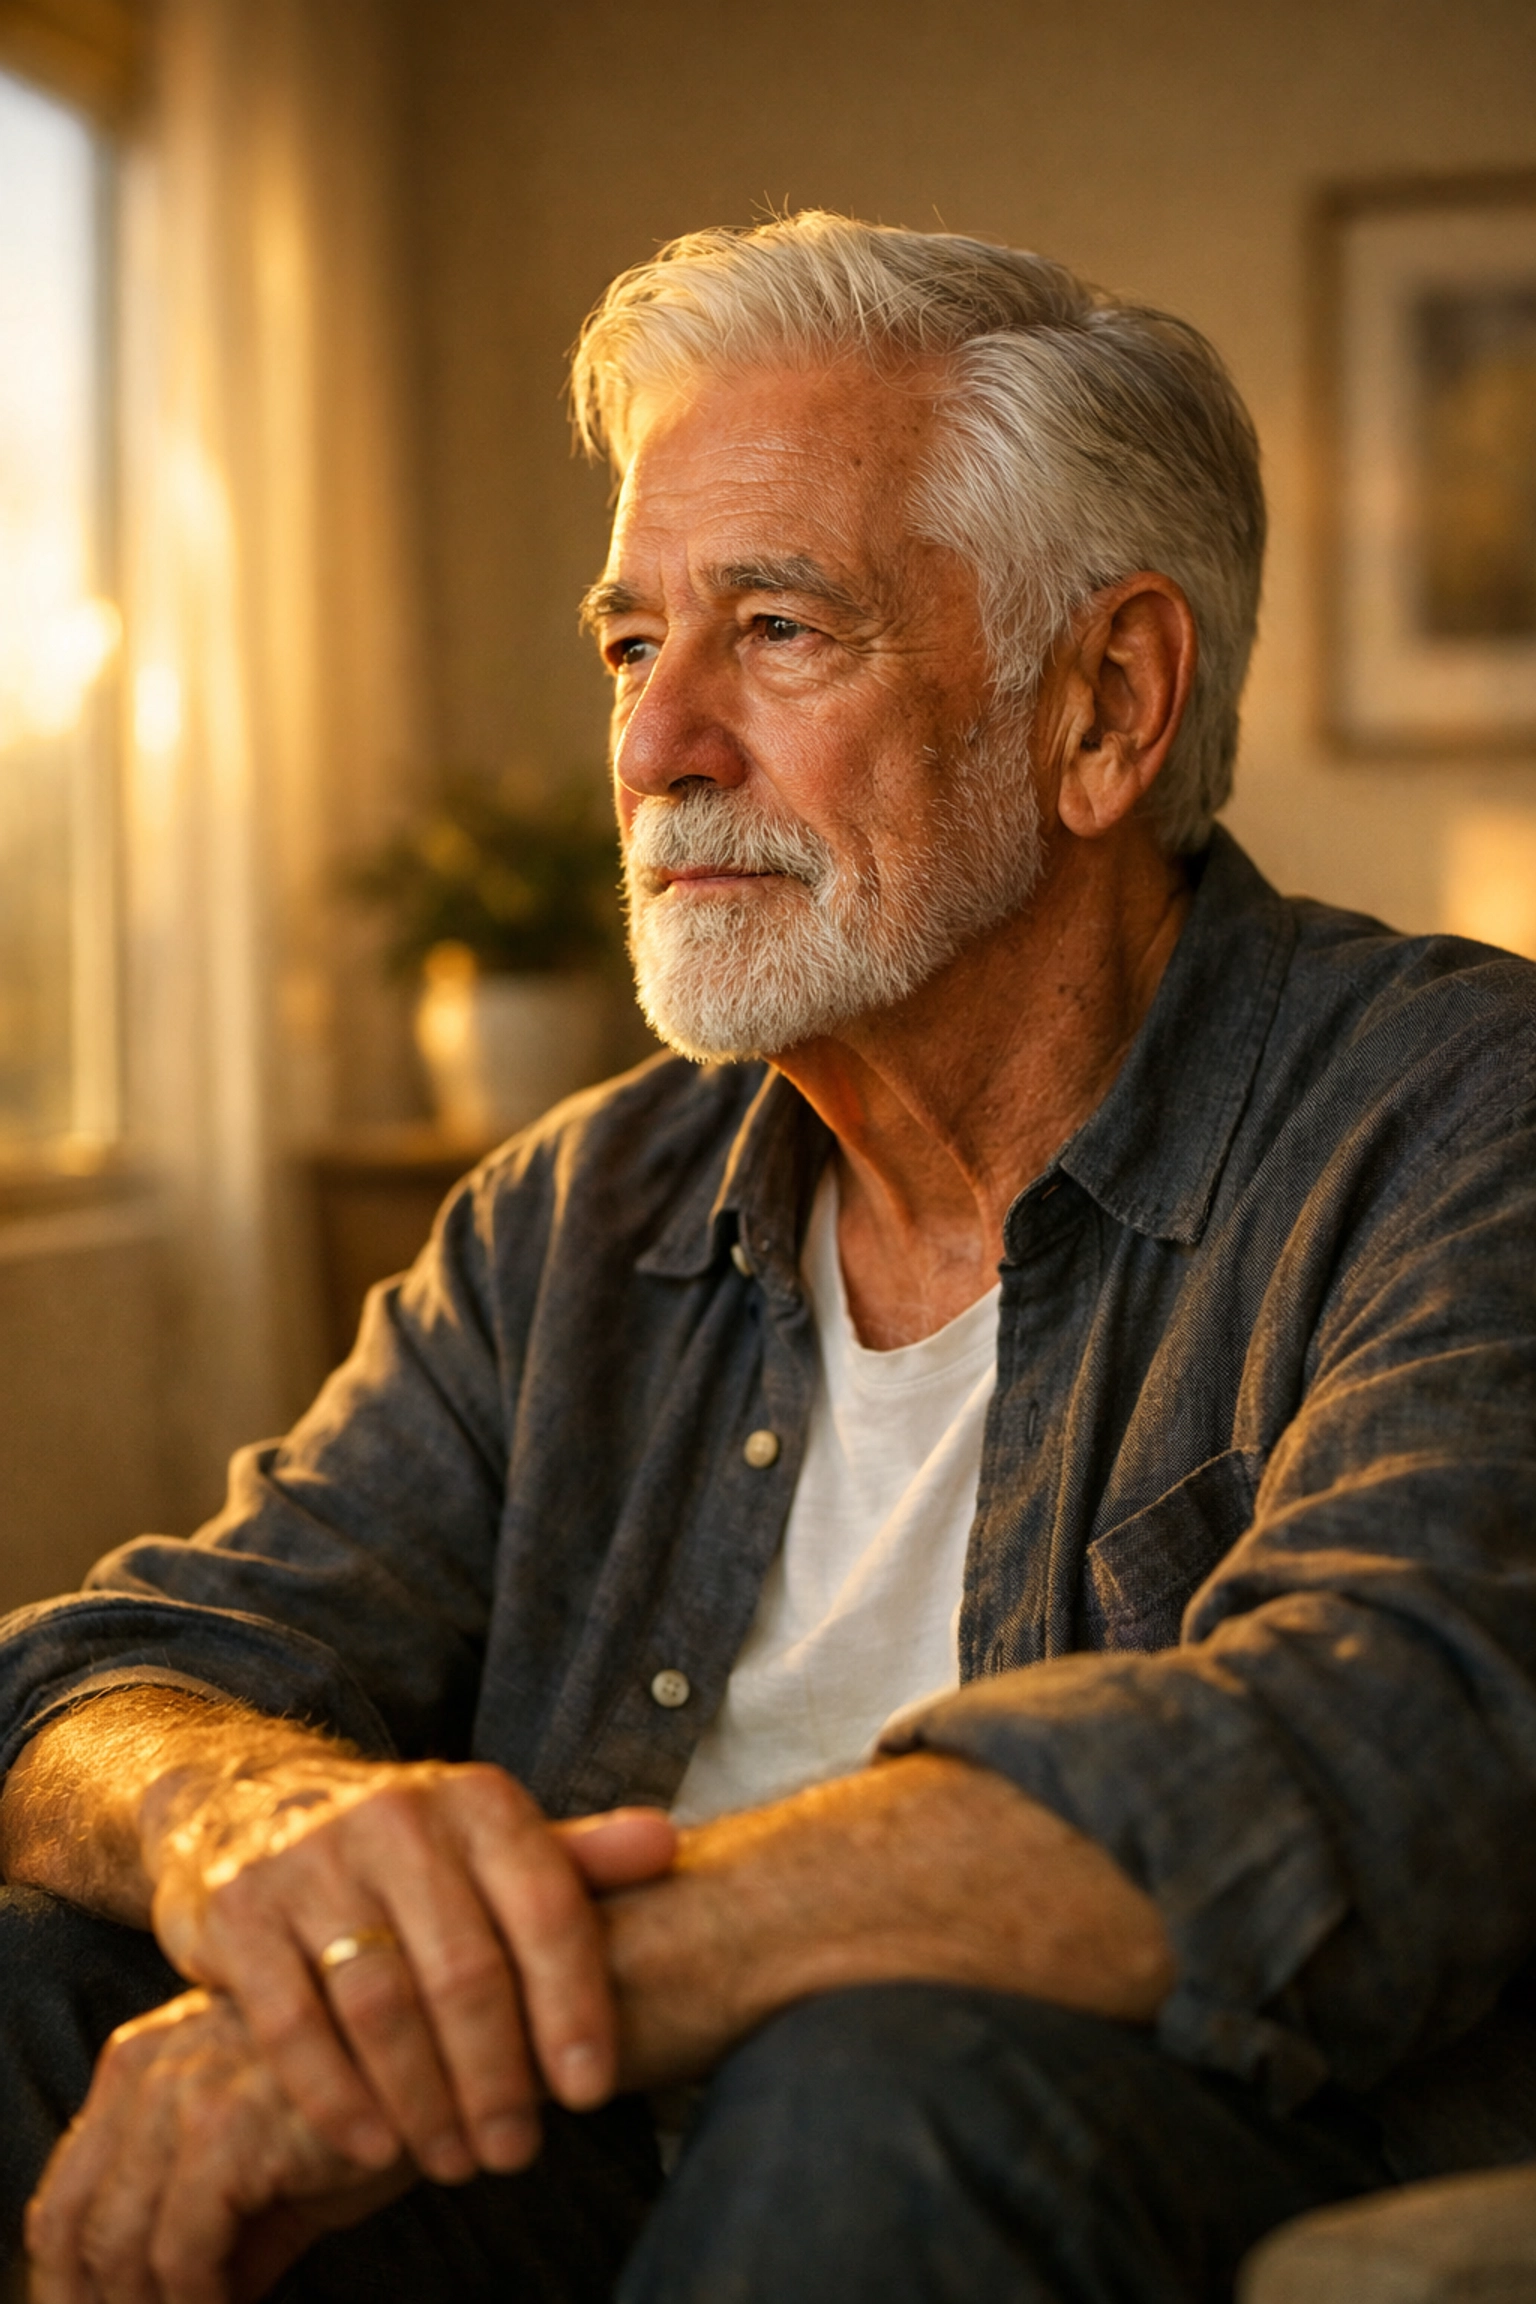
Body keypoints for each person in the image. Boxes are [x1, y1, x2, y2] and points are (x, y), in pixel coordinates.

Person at [3, 211, 1535, 2304]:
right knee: (39, 1975)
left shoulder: (1462, 1120)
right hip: (564, 2184)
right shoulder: (578, 1209)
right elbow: (96, 1676)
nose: (652, 749)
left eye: (780, 631)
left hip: (1074, 2178)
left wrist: (549, 1982)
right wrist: (238, 1822)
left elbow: (1386, 1743)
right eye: (635, 645)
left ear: (1105, 704)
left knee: (872, 2084)